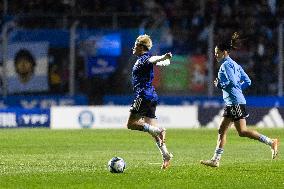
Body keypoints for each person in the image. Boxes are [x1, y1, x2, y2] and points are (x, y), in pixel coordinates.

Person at [200, 32, 279, 168]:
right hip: (233, 101)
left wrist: (220, 85)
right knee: (222, 130)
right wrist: (237, 90)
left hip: (234, 102)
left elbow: (231, 81)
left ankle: (271, 142)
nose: (215, 55)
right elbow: (247, 81)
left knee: (242, 131)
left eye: (217, 52)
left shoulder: (225, 65)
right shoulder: (235, 64)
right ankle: (215, 160)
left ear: (224, 52)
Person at [126, 34, 173, 169]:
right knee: (152, 131)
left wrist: (163, 57)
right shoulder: (144, 59)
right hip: (152, 96)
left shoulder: (145, 59)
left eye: (135, 45)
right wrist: (166, 60)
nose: (133, 47)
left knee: (131, 124)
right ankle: (166, 156)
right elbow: (161, 61)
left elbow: (154, 58)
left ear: (141, 47)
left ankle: (159, 130)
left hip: (143, 96)